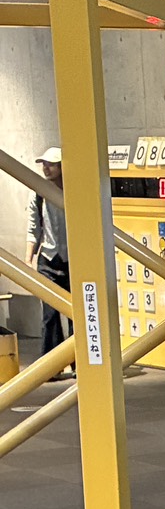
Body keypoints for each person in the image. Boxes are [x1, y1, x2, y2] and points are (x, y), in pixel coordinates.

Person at [24, 147, 72, 378]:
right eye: (43, 164)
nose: (45, 168)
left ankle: (80, 364)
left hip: (74, 259)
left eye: (51, 164)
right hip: (48, 259)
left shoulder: (75, 191)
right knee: (49, 316)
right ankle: (51, 367)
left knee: (77, 314)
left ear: (63, 166)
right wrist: (28, 259)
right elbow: (33, 229)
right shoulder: (38, 193)